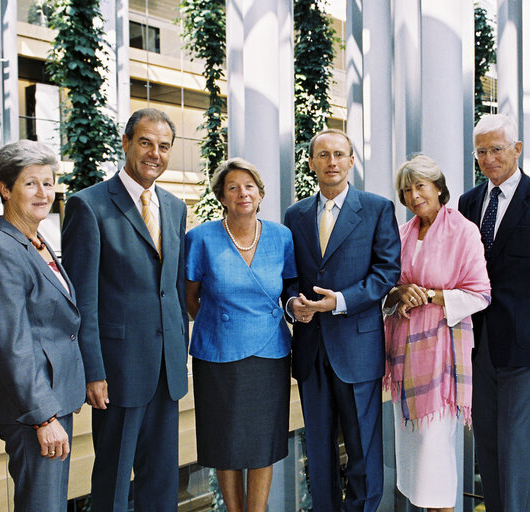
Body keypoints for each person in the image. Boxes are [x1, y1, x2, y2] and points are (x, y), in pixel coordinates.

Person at [62, 108, 188, 512]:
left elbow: (171, 290)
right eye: (146, 143)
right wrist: (93, 371)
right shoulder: (89, 205)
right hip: (117, 371)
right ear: (127, 143)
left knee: (162, 480)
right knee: (114, 481)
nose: (155, 153)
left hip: (167, 369)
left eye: (164, 146)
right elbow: (82, 300)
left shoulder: (175, 206)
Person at [457, 114, 530, 512]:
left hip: (528, 344)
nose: (489, 159)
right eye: (482, 152)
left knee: (517, 442)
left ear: (517, 150)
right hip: (477, 344)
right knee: (486, 441)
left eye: (497, 149)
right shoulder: (469, 202)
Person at [283, 128, 401, 512]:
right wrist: (292, 305)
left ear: (351, 161)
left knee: (363, 447)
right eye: (323, 155)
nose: (331, 162)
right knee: (318, 449)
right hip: (311, 348)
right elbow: (289, 278)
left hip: (357, 346)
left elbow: (386, 274)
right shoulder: (295, 214)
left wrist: (340, 302)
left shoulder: (377, 208)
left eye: (339, 154)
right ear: (312, 162)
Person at [0, 140, 84, 511]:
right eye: (30, 183)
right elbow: (10, 344)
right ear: (5, 188)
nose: (43, 193)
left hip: (52, 400)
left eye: (48, 183)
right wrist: (43, 417)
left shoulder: (35, 241)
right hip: (32, 411)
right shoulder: (0, 252)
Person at [184, 158, 296, 512]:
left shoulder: (281, 236)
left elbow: (289, 287)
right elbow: (190, 296)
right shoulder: (199, 238)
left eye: (249, 186)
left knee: (263, 442)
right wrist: (220, 326)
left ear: (260, 194)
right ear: (222, 197)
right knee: (224, 442)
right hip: (216, 354)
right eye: (232, 187)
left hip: (269, 353)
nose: (242, 193)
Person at [383, 155, 491, 512]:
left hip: (442, 359)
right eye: (407, 189)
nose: (414, 195)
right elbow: (389, 286)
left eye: (421, 186)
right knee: (414, 462)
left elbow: (480, 294)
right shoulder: (403, 233)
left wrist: (428, 294)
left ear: (439, 188)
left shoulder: (463, 231)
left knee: (436, 459)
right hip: (404, 356)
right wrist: (400, 295)